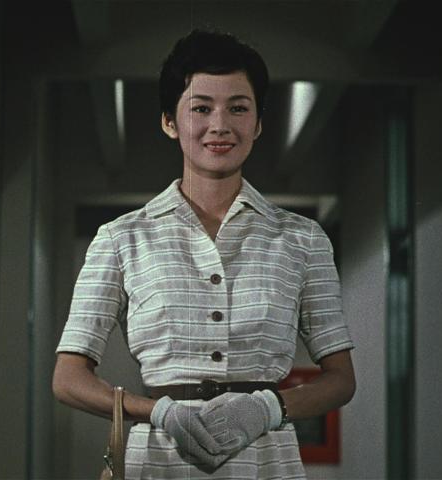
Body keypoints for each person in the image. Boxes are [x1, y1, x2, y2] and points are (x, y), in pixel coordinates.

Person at [52, 29, 356, 479]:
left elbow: (341, 378)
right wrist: (158, 411)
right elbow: (68, 378)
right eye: (201, 108)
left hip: (266, 462)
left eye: (238, 108)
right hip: (158, 461)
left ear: (258, 123)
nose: (220, 125)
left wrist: (267, 408)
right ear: (169, 122)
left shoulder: (303, 239)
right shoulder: (120, 238)